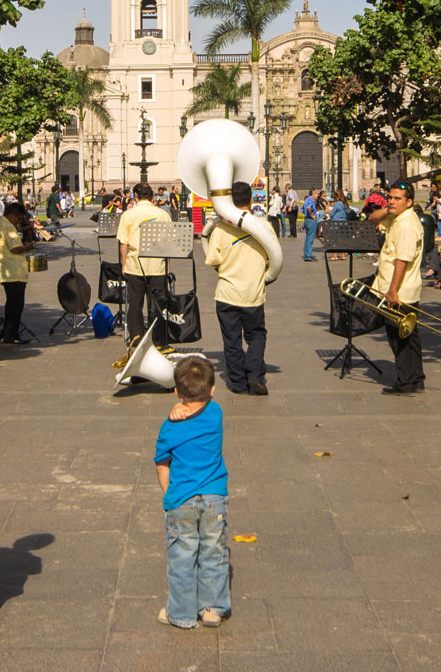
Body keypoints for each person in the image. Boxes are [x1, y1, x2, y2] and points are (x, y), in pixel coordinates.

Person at [154, 356, 230, 629]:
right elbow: (201, 409)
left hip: (181, 500)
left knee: (182, 557)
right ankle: (212, 608)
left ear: (177, 391)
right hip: (214, 498)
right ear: (212, 390)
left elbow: (162, 462)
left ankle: (181, 613)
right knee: (214, 552)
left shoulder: (168, 428)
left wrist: (167, 494)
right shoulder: (216, 413)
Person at [202, 181, 271, 396]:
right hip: (253, 294)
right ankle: (255, 376)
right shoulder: (264, 226)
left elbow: (213, 259)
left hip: (227, 293)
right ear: (252, 200)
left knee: (231, 340)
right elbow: (272, 258)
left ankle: (238, 383)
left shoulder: (221, 229)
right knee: (256, 335)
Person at [376, 182, 427, 394]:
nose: (392, 201)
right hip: (404, 289)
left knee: (399, 338)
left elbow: (402, 261)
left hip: (400, 292)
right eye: (390, 197)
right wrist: (389, 208)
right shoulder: (399, 218)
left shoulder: (406, 225)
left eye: (397, 199)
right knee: (410, 337)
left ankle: (405, 382)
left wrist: (393, 290)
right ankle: (416, 379)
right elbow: (372, 219)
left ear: (409, 202)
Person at [117, 182, 171, 340]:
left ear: (135, 197)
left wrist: (124, 264)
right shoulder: (162, 215)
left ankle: (136, 338)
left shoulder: (128, 215)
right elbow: (169, 244)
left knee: (135, 304)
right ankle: (158, 338)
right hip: (157, 266)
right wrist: (168, 266)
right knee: (158, 304)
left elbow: (123, 243)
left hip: (135, 265)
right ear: (152, 196)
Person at [0, 202, 34, 344]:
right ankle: (10, 335)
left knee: (12, 304)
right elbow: (15, 249)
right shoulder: (7, 226)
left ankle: (7, 333)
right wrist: (28, 247)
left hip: (7, 269)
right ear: (12, 215)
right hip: (13, 271)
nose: (19, 222)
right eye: (19, 218)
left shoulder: (0, 223)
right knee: (16, 305)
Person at [302, 189, 320, 262]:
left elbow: (303, 210)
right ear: (313, 194)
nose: (318, 195)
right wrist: (312, 215)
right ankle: (308, 256)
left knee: (308, 238)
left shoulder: (306, 199)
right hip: (311, 221)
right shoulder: (311, 200)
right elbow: (308, 208)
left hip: (307, 220)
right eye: (317, 194)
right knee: (310, 239)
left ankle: (307, 254)